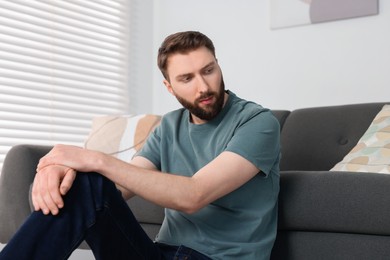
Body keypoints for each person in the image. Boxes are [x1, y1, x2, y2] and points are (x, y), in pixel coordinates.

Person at [0, 31, 280, 260]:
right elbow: (116, 189)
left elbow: (194, 195)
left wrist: (94, 158)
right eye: (187, 78)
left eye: (208, 70)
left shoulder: (257, 122)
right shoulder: (169, 126)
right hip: (158, 254)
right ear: (169, 87)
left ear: (218, 65)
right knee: (88, 184)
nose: (204, 86)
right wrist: (59, 166)